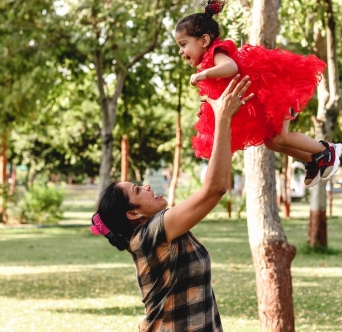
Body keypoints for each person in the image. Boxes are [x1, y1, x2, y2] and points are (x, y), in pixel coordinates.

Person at [90, 75, 252, 332]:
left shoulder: (164, 230)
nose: (146, 186)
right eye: (137, 189)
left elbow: (215, 186)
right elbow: (215, 189)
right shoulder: (150, 234)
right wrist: (222, 118)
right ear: (133, 213)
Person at [175, 0, 342, 188]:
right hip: (266, 101)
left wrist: (204, 75)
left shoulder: (216, 54)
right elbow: (224, 92)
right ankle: (311, 159)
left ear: (204, 40)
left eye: (183, 44)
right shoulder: (209, 65)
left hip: (275, 93)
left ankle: (327, 150)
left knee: (281, 137)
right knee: (271, 142)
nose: (180, 51)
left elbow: (232, 68)